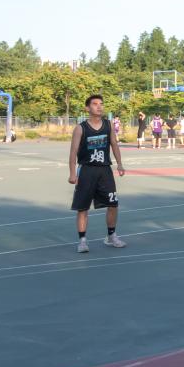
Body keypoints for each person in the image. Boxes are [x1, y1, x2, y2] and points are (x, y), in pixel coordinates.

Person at [68, 95, 127, 253]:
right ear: (87, 108)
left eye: (101, 104)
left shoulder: (108, 125)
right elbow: (73, 152)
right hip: (87, 170)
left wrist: (120, 163)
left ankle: (111, 236)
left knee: (113, 204)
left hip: (105, 170)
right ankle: (82, 241)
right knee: (83, 207)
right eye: (95, 104)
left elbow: (114, 144)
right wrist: (72, 173)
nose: (99, 106)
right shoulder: (80, 128)